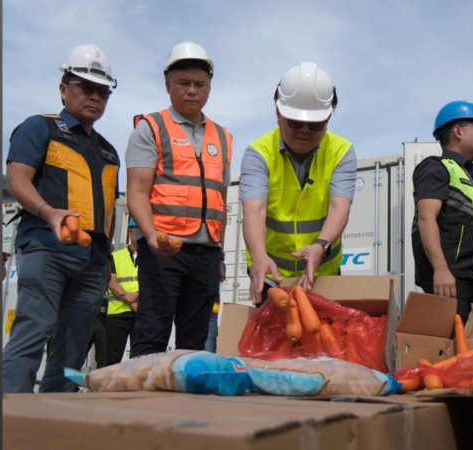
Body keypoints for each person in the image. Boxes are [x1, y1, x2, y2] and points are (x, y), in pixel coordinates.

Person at [2, 44, 120, 392]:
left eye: (102, 92)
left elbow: (110, 211)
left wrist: (108, 262)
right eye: (85, 88)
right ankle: (10, 420)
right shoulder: (39, 128)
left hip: (93, 260)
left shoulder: (108, 150)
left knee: (72, 345)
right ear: (64, 88)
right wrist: (49, 212)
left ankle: (54, 423)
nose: (95, 97)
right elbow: (17, 178)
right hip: (45, 247)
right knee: (33, 329)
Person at [125, 42, 232, 357]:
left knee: (195, 339)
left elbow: (220, 201)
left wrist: (220, 255)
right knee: (152, 330)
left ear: (209, 87)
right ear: (167, 84)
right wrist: (151, 235)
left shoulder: (222, 136)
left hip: (206, 253)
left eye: (200, 84)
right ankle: (141, 402)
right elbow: (137, 191)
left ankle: (184, 405)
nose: (192, 91)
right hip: (163, 247)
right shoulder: (151, 128)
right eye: (183, 83)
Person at [240, 62, 357, 305]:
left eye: (315, 124)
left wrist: (320, 245)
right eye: (294, 122)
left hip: (321, 272)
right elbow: (254, 209)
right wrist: (259, 256)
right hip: (271, 273)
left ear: (328, 117)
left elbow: (340, 207)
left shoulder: (342, 151)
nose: (304, 130)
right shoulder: (258, 153)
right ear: (278, 113)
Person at [412, 101, 473, 325]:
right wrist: (440, 270)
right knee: (450, 350)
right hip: (450, 281)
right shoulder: (435, 168)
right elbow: (425, 218)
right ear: (458, 131)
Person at [101, 219, 140, 365]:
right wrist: (129, 299)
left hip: (141, 313)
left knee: (139, 358)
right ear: (130, 232)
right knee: (111, 357)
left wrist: (134, 298)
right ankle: (109, 388)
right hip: (118, 313)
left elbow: (153, 283)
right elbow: (111, 282)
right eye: (138, 230)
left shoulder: (152, 259)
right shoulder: (116, 256)